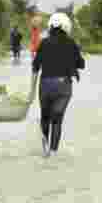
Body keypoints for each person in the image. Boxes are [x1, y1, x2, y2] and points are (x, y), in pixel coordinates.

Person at [31, 12, 85, 158]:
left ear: (51, 26)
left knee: (45, 117)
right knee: (57, 119)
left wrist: (31, 90)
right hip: (63, 86)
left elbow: (35, 66)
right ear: (66, 26)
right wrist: (75, 54)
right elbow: (81, 64)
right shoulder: (72, 43)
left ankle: (45, 150)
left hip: (45, 85)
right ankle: (54, 152)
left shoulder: (44, 43)